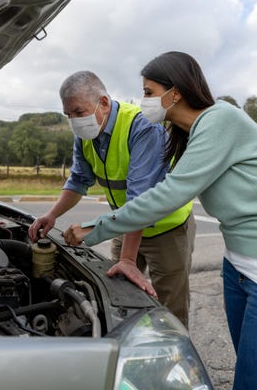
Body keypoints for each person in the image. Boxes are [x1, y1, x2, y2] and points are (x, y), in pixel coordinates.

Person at [63, 52, 257, 390]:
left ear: (175, 94)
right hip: (240, 269)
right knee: (248, 376)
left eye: (148, 92)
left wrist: (93, 229)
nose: (143, 101)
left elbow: (168, 195)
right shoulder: (186, 134)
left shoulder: (221, 119)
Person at [27, 70, 196, 327]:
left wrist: (128, 259)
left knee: (168, 307)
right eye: (67, 115)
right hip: (125, 224)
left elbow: (140, 199)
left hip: (167, 229)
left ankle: (173, 360)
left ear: (103, 103)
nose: (73, 121)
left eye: (78, 112)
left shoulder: (143, 127)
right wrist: (52, 215)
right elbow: (78, 181)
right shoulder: (85, 135)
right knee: (117, 297)